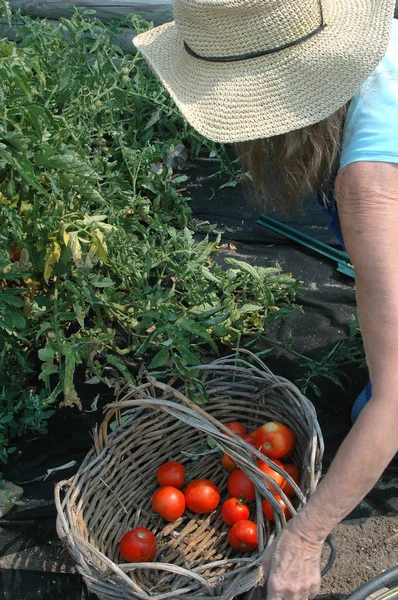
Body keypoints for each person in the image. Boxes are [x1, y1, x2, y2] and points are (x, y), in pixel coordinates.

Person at [133, 1, 398, 599]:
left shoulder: (369, 188)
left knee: (383, 411)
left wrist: (303, 540)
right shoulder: (382, 50)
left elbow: (396, 399)